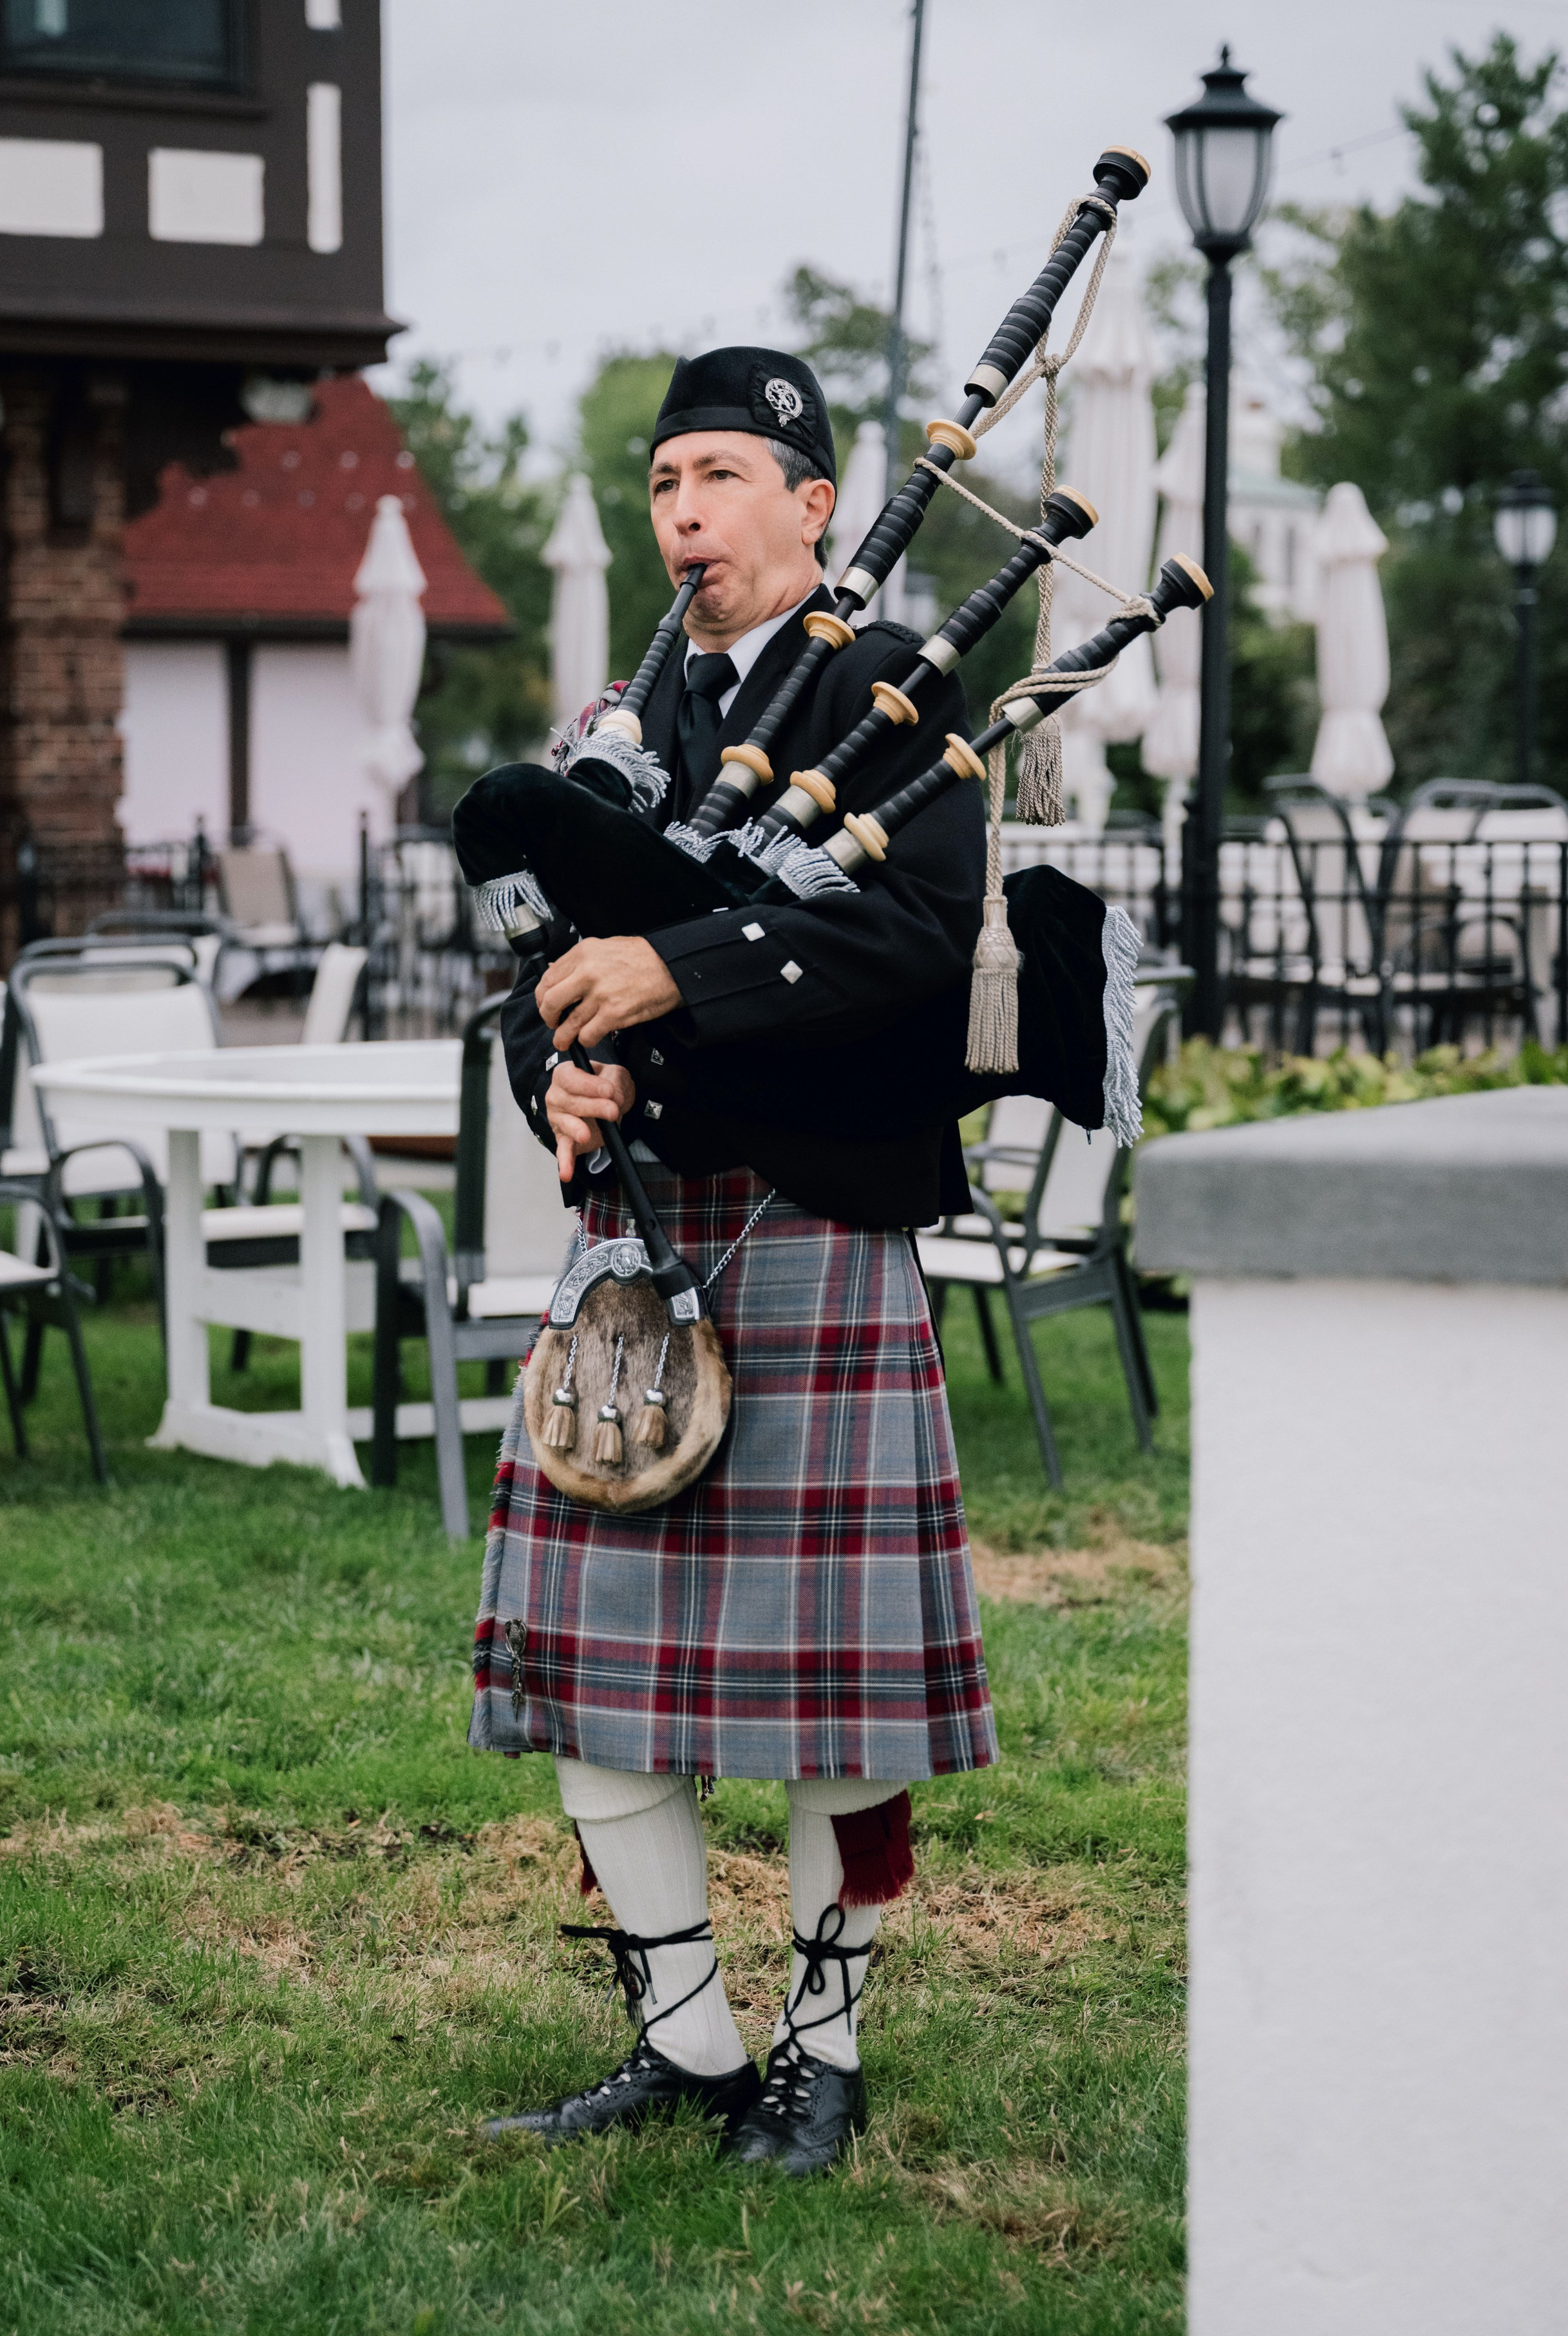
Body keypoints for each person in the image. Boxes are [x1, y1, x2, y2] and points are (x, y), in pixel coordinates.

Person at [466, 346, 996, 2178]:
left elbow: (925, 936)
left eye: (719, 475)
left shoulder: (896, 694)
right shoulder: (630, 718)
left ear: (814, 501)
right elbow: (545, 947)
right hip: (643, 1246)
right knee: (593, 1664)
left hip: (820, 1222)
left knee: (838, 1695)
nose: (683, 512)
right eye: (664, 483)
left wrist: (687, 970)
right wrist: (564, 1066)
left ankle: (824, 2053)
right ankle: (688, 2044)